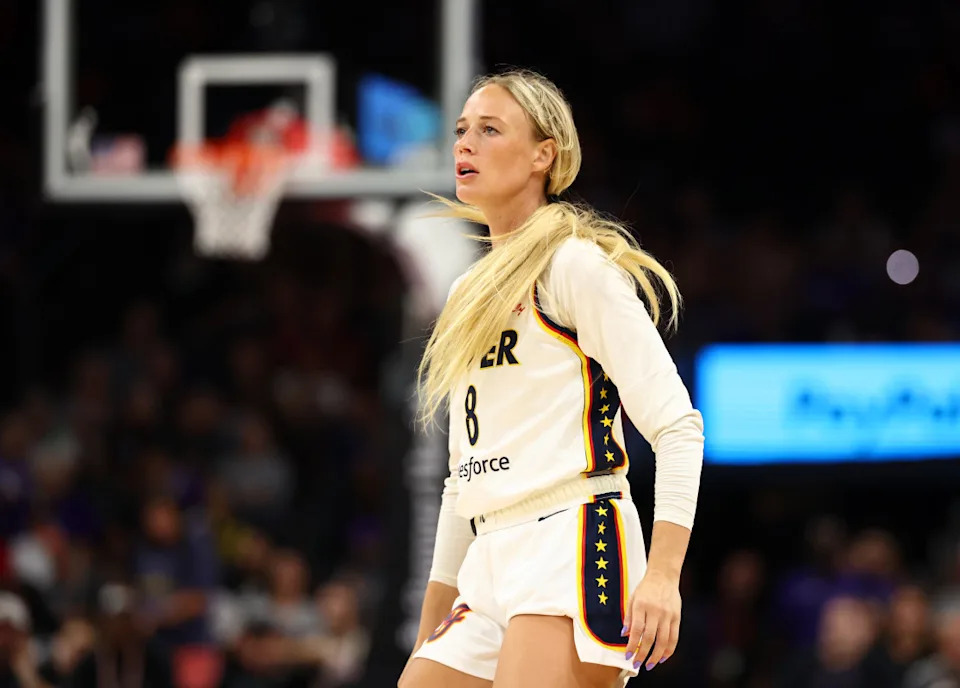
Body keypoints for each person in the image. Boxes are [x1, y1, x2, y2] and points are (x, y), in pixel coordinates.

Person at [398, 69, 705, 688]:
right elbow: (463, 480)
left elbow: (677, 427)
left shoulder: (573, 265)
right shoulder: (465, 293)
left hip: (571, 534)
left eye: (489, 130)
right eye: (460, 131)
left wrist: (665, 575)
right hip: (489, 551)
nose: (465, 145)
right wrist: (433, 614)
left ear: (545, 154)